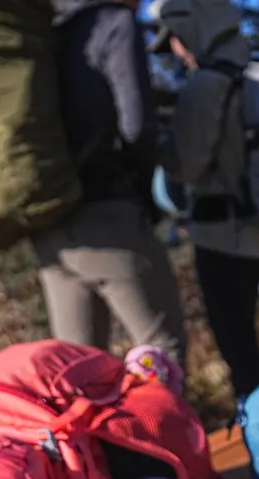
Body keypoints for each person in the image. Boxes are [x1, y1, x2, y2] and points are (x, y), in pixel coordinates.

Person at [152, 0, 259, 400]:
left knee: (238, 347)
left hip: (219, 234)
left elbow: (189, 164)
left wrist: (161, 146)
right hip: (257, 229)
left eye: (175, 39)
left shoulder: (206, 84)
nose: (175, 50)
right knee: (247, 340)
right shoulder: (252, 78)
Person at [35, 0, 188, 388]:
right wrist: (144, 181)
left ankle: (96, 451)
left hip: (49, 222)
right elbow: (136, 125)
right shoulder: (114, 22)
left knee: (80, 376)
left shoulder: (42, 31)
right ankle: (170, 450)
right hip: (109, 215)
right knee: (163, 354)